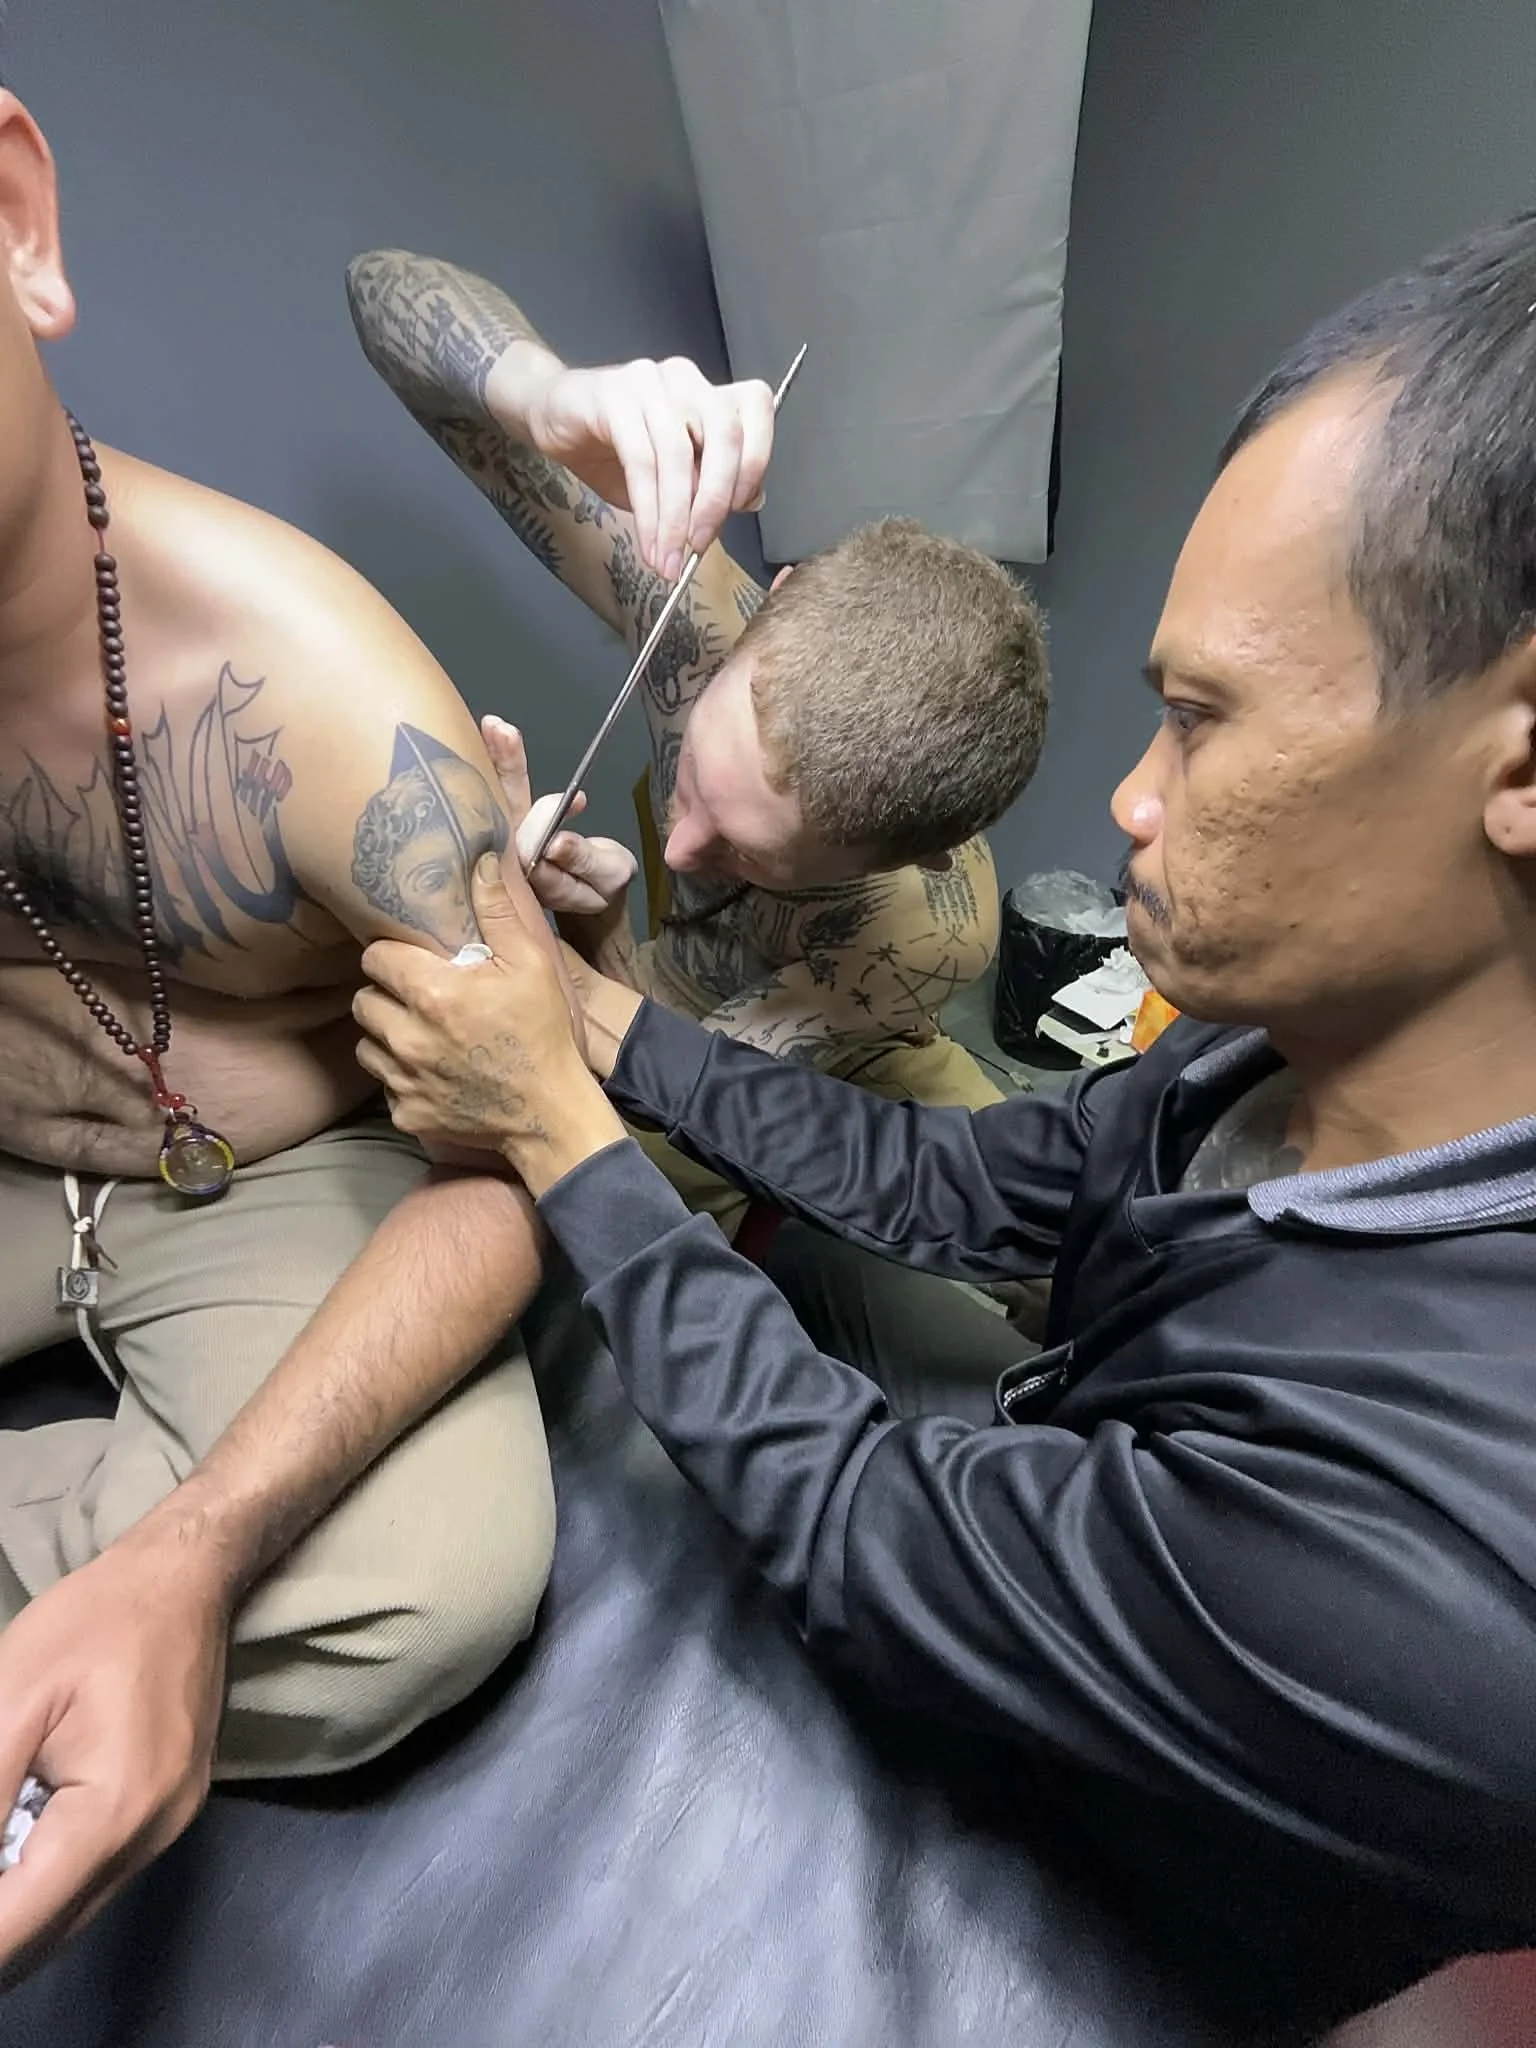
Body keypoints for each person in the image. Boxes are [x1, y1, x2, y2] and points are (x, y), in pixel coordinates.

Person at [354, 211, 1536, 2039]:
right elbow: (959, 1178)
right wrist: (555, 395)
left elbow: (853, 1510)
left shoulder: (1455, 1569)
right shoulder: (1259, 1050)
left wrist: (553, 1097)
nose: (1131, 804)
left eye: (1203, 722)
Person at [0, 85, 765, 1975]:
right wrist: (541, 394)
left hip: (291, 1174)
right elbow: (399, 301)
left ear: (16, 218)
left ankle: (108, 1615)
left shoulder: (319, 702)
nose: (687, 831)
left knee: (421, 1591)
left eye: (737, 818)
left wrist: (189, 1559)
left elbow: (536, 1146)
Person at [345, 249, 1049, 1243]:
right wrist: (548, 396)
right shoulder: (699, 625)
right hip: (687, 1004)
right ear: (783, 598)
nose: (681, 850)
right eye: (702, 790)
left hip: (812, 1042)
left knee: (1027, 1244)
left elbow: (661, 1094)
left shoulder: (904, 939)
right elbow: (376, 290)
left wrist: (551, 931)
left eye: (748, 852)